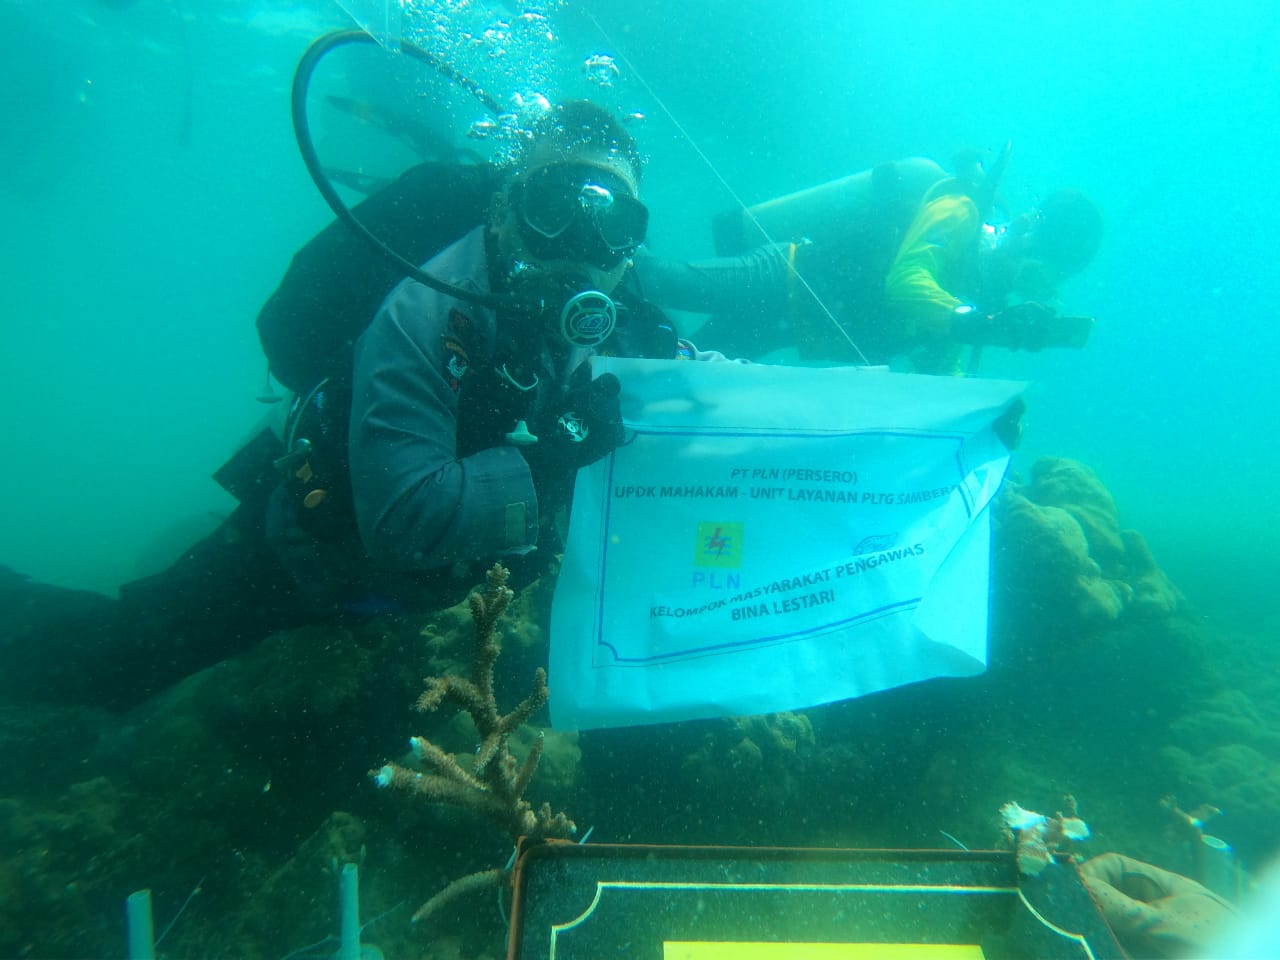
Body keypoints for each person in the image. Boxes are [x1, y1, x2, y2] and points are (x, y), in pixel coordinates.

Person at [0, 100, 726, 711]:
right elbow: (404, 518)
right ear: (504, 214)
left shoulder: (620, 314)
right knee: (119, 662)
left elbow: (695, 392)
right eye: (551, 210)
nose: (579, 247)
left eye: (612, 224)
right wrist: (560, 463)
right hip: (313, 552)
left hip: (429, 589)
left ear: (631, 246)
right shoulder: (430, 305)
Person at [637, 152, 1104, 374]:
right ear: (1028, 232)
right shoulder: (959, 213)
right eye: (1042, 268)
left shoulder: (983, 293)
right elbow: (907, 280)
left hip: (790, 328)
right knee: (661, 281)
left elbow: (941, 361)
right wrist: (976, 323)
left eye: (1051, 280)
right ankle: (588, 236)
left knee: (668, 374)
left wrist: (980, 419)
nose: (1036, 282)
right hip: (784, 277)